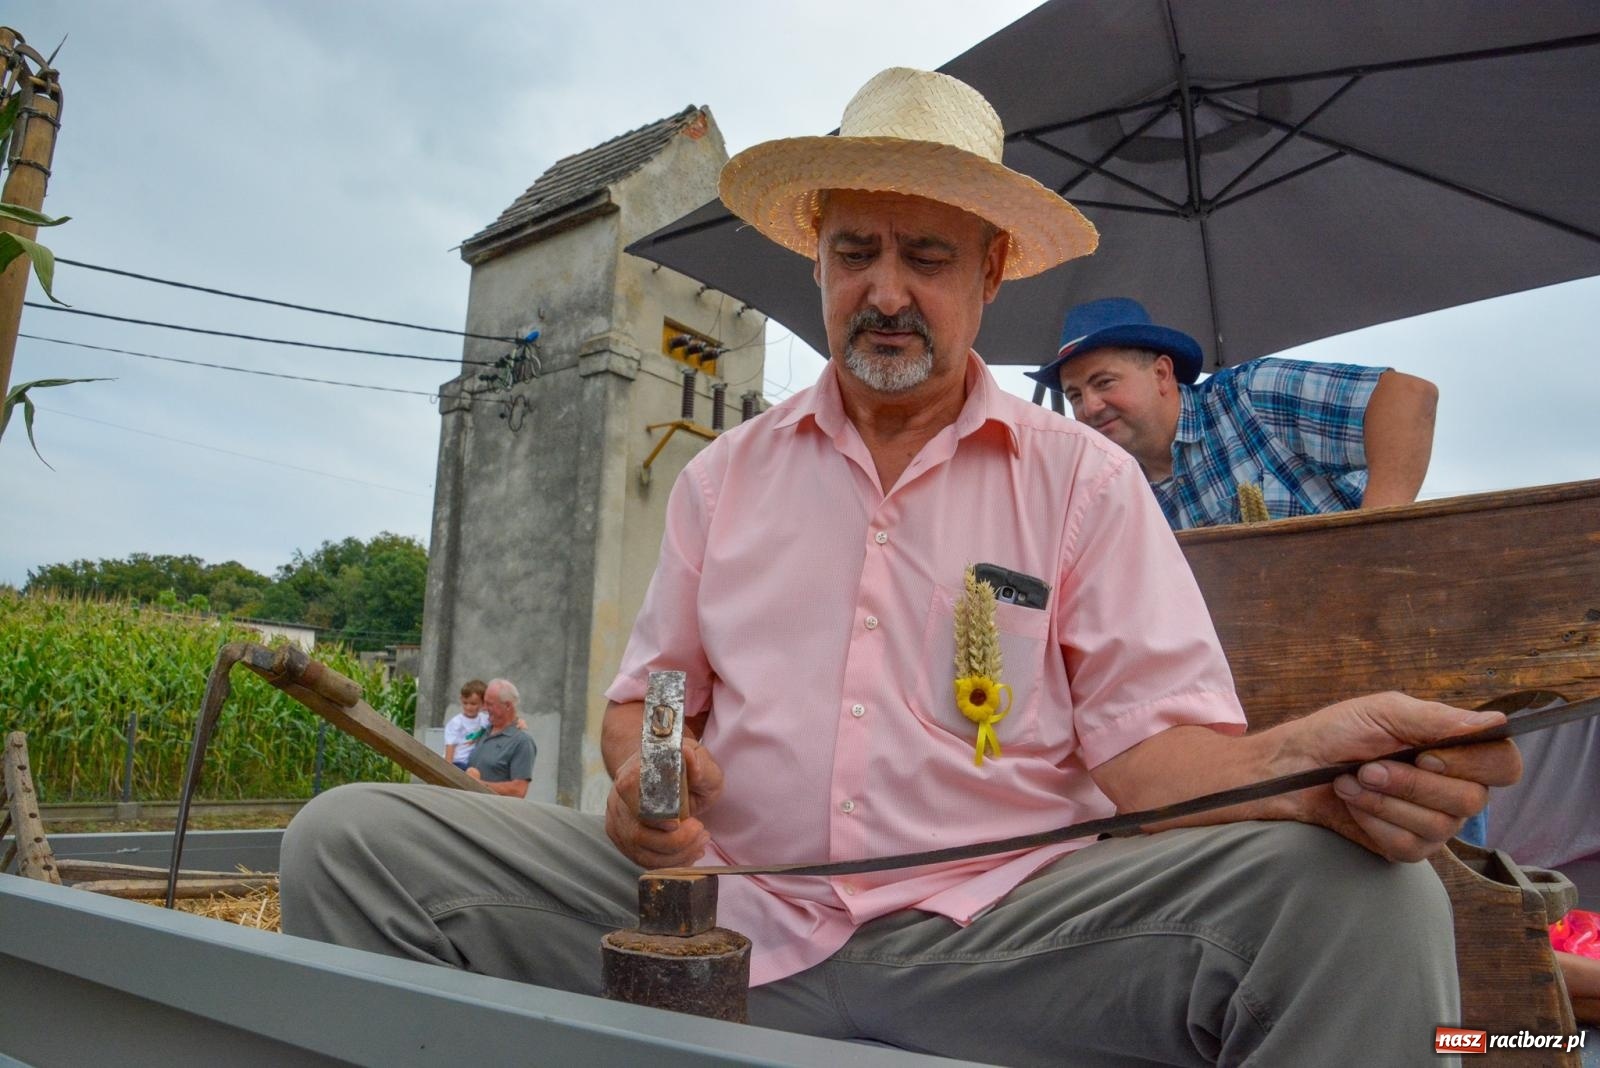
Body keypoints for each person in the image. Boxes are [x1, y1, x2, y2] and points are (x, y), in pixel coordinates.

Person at [282, 68, 1518, 1065]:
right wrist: (649, 782)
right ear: (814, 260)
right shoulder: (726, 479)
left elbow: (1154, 759)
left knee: (1364, 907)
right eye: (857, 251)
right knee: (350, 843)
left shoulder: (1079, 479)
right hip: (721, 919)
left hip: (1006, 944)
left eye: (927, 259)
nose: (886, 292)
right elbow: (641, 704)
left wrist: (1312, 774)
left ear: (988, 274)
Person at [1025, 297, 1440, 530]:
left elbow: (1408, 398)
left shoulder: (1250, 395)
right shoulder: (1112, 491)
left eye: (1104, 383)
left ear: (1162, 373)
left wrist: (1376, 537)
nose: (1089, 407)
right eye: (1075, 394)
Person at [463, 678, 535, 799]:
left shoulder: (522, 741)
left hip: (494, 814)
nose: (484, 708)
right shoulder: (483, 731)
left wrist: (477, 785)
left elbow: (518, 790)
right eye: (484, 703)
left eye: (489, 704)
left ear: (507, 705)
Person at [442, 678, 488, 771]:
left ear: (483, 703)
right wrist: (447, 770)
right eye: (465, 703)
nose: (468, 707)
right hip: (457, 763)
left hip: (473, 763)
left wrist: (519, 722)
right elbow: (450, 747)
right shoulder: (456, 723)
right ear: (461, 699)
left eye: (473, 704)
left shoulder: (484, 719)